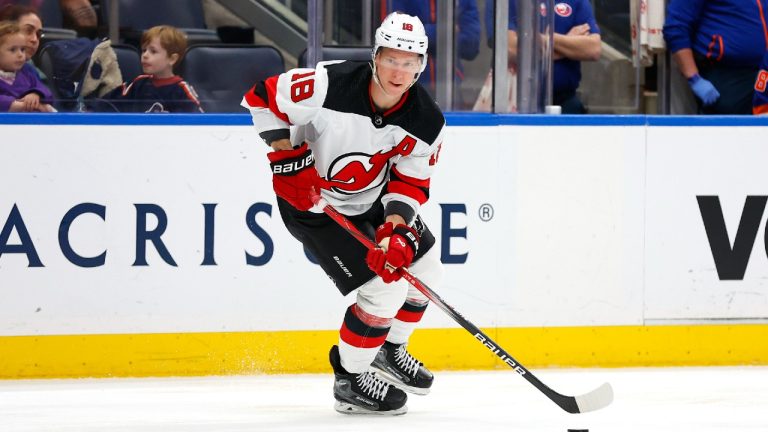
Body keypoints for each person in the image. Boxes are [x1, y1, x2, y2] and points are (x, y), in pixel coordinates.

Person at [241, 12, 445, 416]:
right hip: (314, 207)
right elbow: (260, 98)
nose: (398, 70)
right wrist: (287, 159)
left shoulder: (427, 121)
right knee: (384, 290)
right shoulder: (326, 84)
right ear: (375, 56)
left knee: (426, 269)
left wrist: (396, 233)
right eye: (391, 58)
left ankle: (388, 350)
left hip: (370, 203)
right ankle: (350, 380)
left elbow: (410, 183)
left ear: (421, 65)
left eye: (409, 62)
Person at [485, 0, 602, 114]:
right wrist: (568, 41)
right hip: (512, 101)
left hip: (565, 101)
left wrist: (546, 39)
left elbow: (593, 49)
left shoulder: (576, 2)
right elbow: (510, 49)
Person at [664, 0, 768, 115]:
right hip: (726, 76)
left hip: (762, 73)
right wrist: (694, 78)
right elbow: (676, 27)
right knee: (729, 130)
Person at [383, 0, 480, 108]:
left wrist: (420, 34)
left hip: (451, 93)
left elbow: (471, 46)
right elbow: (397, 37)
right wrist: (448, 30)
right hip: (406, 88)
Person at [105, 25, 203, 113]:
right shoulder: (138, 83)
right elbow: (106, 104)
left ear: (172, 59)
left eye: (153, 51)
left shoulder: (182, 91)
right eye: (144, 50)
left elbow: (197, 123)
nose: (145, 55)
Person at [0, 20, 54, 112]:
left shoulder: (27, 71)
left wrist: (36, 94)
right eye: (13, 50)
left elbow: (47, 92)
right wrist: (21, 105)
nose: (20, 55)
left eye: (22, 49)